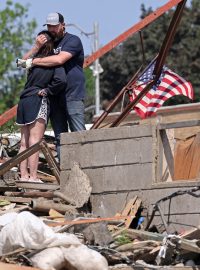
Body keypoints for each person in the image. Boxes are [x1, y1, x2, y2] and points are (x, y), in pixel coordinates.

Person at [19, 12, 86, 159]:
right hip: (54, 97)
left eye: (55, 26)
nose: (52, 29)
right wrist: (36, 47)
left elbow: (59, 60)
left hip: (72, 95)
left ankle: (85, 171)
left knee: (79, 135)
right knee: (60, 138)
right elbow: (22, 63)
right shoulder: (49, 43)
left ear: (63, 25)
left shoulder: (73, 41)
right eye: (49, 26)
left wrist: (34, 61)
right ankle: (64, 172)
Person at [16, 30, 67, 182]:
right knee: (35, 141)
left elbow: (20, 62)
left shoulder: (33, 60)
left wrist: (34, 48)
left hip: (24, 100)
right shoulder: (52, 61)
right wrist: (48, 90)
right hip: (38, 99)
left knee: (24, 142)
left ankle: (24, 176)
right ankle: (33, 176)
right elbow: (61, 81)